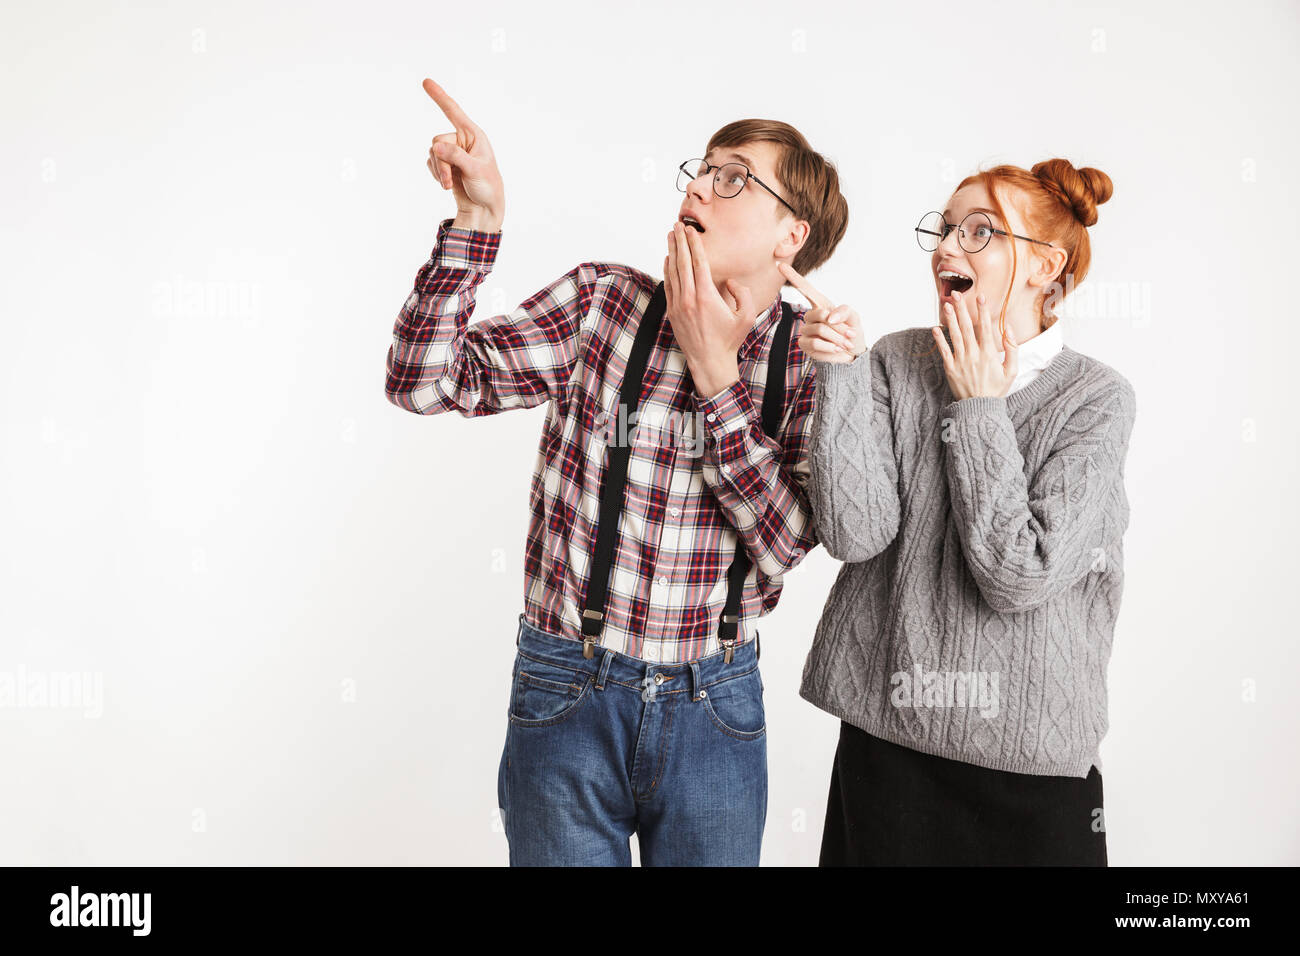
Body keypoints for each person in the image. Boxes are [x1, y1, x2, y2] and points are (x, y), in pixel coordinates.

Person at [384, 78, 850, 865]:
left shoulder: (812, 363)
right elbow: (423, 380)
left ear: (789, 236)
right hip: (567, 687)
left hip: (717, 706)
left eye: (734, 176)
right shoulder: (602, 305)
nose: (700, 185)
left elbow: (784, 547)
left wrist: (715, 378)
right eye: (702, 169)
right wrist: (477, 222)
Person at [785, 159, 1135, 865]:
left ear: (1045, 266)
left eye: (980, 232)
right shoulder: (896, 359)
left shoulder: (1097, 399)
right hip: (887, 754)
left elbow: (1019, 575)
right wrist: (842, 371)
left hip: (1029, 776)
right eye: (944, 229)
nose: (948, 248)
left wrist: (979, 407)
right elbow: (858, 534)